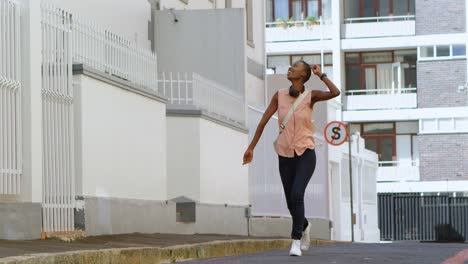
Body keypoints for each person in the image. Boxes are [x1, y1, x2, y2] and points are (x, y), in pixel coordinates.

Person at [242, 61, 340, 256]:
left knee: (297, 194)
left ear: (303, 75)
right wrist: (251, 147)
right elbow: (262, 122)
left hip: (306, 153)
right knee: (290, 201)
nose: (290, 68)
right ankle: (304, 225)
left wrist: (321, 75)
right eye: (291, 66)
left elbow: (335, 92)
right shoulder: (279, 96)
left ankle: (295, 240)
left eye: (295, 67)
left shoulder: (311, 96)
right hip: (285, 154)